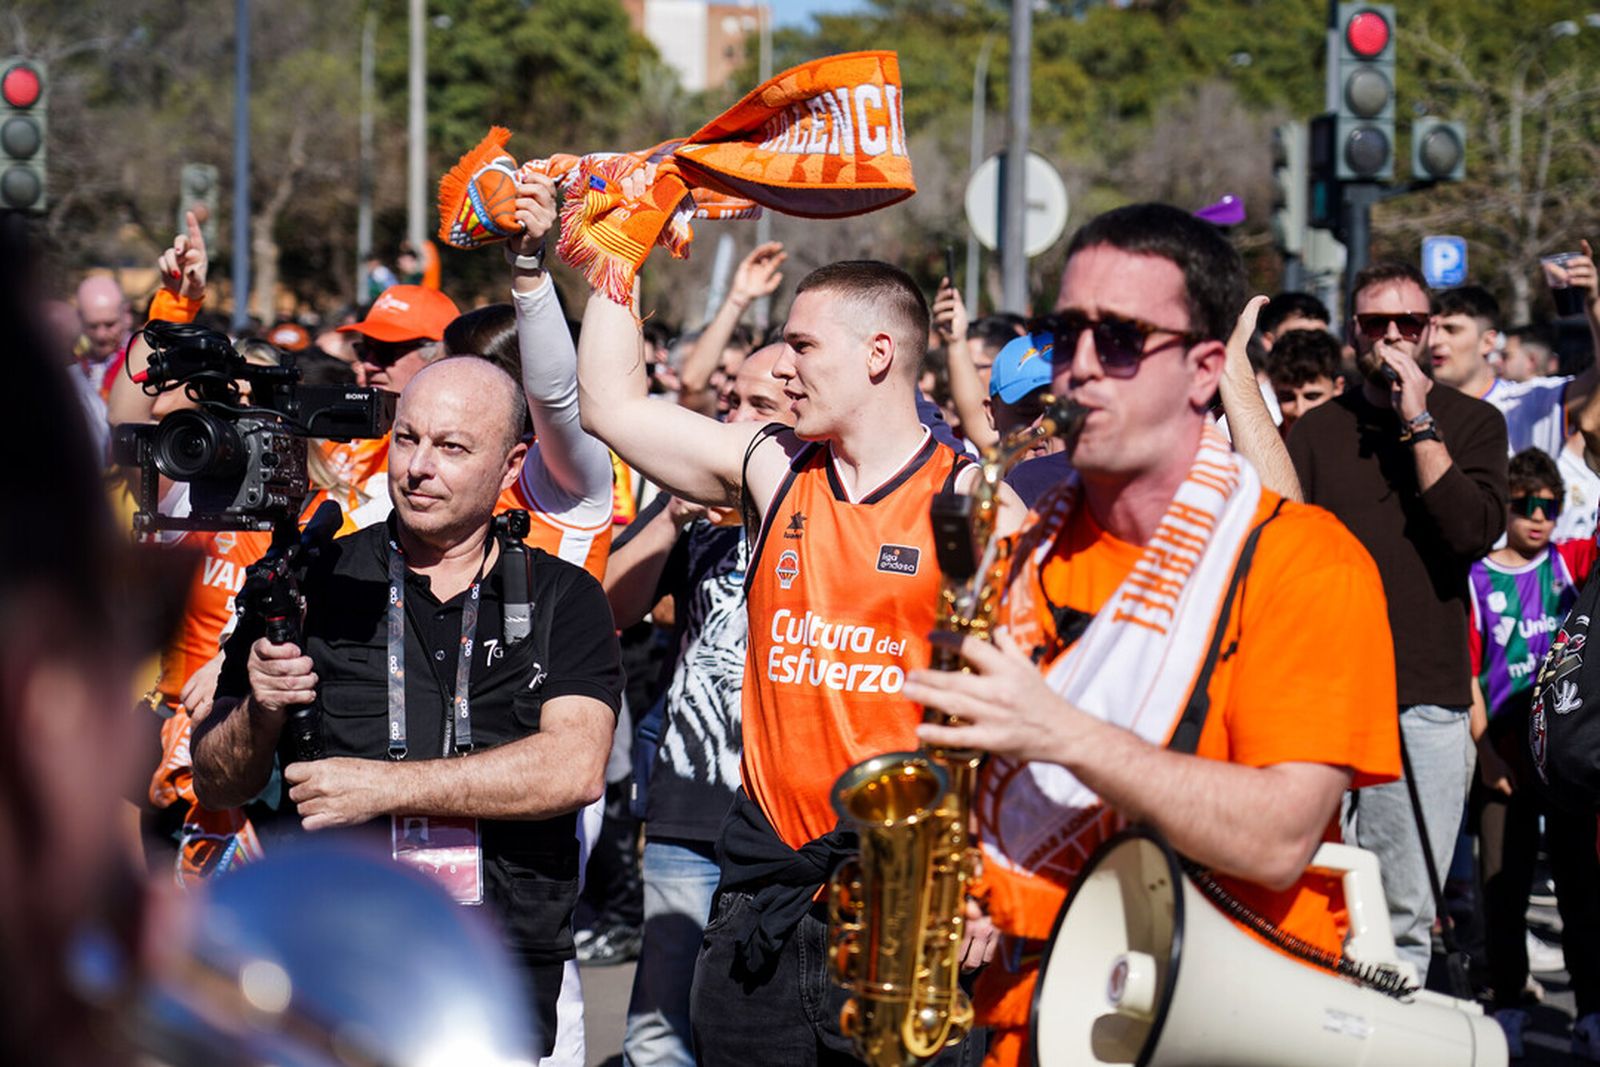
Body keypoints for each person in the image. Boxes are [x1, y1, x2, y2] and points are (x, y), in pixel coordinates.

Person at [902, 202, 1399, 1067]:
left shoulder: (1307, 562)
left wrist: (1059, 732)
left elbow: (1281, 838)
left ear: (1208, 368)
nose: (1082, 368)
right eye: (1067, 337)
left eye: (1123, 340)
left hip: (1220, 1025)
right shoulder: (1017, 554)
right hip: (1024, 1024)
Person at [573, 205, 1024, 1062]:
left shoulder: (980, 504)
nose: (782, 366)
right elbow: (610, 404)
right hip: (761, 903)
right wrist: (620, 244)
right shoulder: (771, 467)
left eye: (804, 346)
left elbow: (1039, 707)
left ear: (878, 354)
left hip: (907, 918)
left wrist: (992, 883)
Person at [191, 356, 624, 1061]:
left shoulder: (562, 596)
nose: (419, 466)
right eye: (407, 439)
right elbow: (217, 780)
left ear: (513, 462)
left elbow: (573, 768)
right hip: (335, 967)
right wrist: (260, 712)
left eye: (452, 447)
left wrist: (383, 787)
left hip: (498, 967)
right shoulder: (309, 579)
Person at [1288, 260, 1508, 980]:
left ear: (1429, 331)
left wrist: (1419, 419)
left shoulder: (1473, 422)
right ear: (1352, 331)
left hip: (1423, 695)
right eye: (1374, 323)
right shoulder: (1317, 431)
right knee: (1313, 901)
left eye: (1406, 323)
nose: (1390, 337)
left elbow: (1471, 532)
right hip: (1324, 697)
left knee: (1402, 915)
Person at [604, 344, 794, 1067]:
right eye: (730, 401)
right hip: (690, 803)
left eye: (759, 409)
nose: (733, 422)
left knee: (765, 1031)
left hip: (787, 824)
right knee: (661, 1030)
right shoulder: (693, 504)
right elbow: (612, 606)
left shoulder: (821, 504)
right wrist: (670, 518)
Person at [1466, 448, 1600, 1059]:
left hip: (1564, 768)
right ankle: (1509, 1004)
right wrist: (1487, 758)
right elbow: (1469, 675)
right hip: (1505, 764)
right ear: (1506, 508)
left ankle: (1591, 1004)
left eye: (1550, 505)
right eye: (1525, 505)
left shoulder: (1573, 565)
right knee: (1503, 886)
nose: (1539, 517)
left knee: (1580, 889)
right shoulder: (1477, 577)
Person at [1430, 277, 1600, 460]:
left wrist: (1594, 302)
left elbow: (1595, 382)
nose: (1435, 341)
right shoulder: (1411, 406)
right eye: (1431, 329)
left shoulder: (1530, 400)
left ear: (1488, 342)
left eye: (1451, 329)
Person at [1265, 327, 1344, 434]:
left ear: (1338, 387)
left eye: (1312, 396)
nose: (1300, 410)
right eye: (1288, 398)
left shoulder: (1361, 444)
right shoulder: (1258, 448)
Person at [76, 273, 133, 398]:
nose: (100, 335)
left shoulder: (141, 359)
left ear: (126, 315)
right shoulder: (72, 361)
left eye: (109, 324)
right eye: (92, 326)